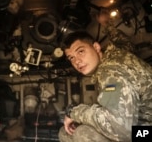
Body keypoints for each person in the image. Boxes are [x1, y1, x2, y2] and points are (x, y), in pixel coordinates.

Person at [58, 11, 152, 142]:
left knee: (81, 133)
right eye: (71, 58)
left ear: (96, 47)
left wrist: (74, 112)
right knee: (68, 132)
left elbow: (120, 129)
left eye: (81, 51)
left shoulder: (110, 71)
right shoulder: (117, 53)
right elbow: (125, 43)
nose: (76, 61)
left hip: (144, 132)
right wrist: (106, 24)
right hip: (140, 127)